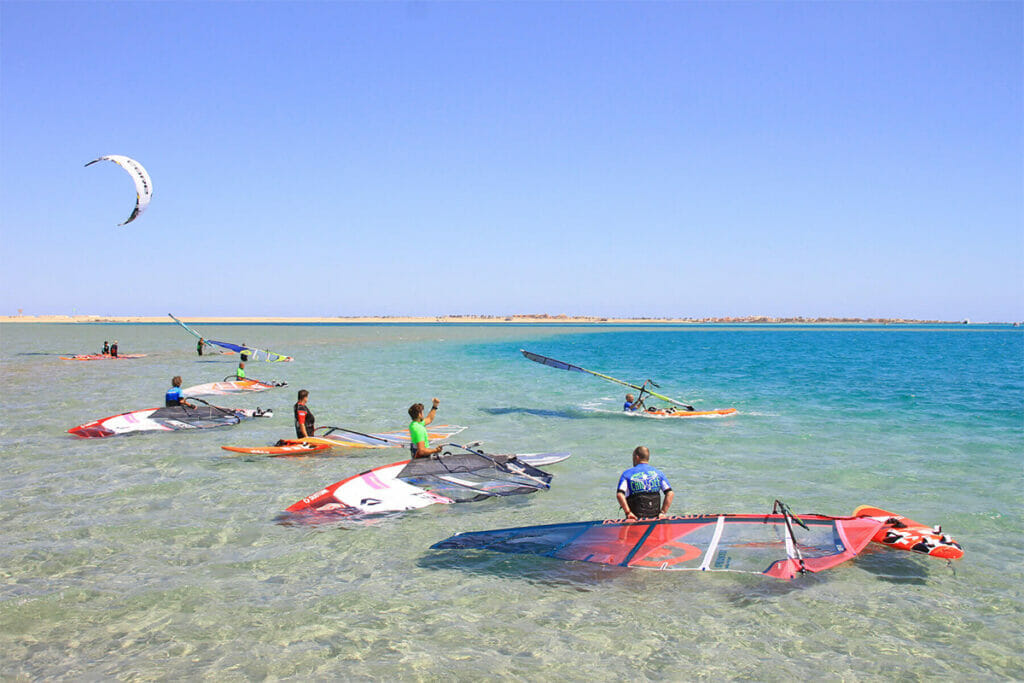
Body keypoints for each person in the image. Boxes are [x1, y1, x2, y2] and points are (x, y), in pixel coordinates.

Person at [616, 446, 674, 520]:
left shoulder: (627, 474)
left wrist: (628, 512)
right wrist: (663, 512)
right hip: (655, 517)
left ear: (636, 457)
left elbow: (620, 494)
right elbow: (670, 493)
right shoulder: (659, 473)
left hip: (635, 518)